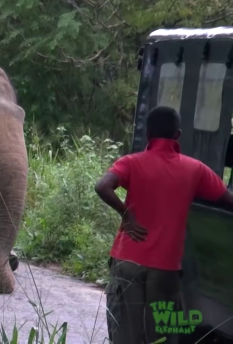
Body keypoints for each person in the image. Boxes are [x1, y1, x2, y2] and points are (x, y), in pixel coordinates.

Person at [94, 106, 233, 344]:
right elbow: (228, 199)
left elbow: (102, 186)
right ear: (178, 135)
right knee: (162, 337)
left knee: (125, 335)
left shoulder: (131, 162)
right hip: (166, 269)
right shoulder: (195, 169)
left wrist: (126, 214)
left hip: (128, 261)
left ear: (147, 134)